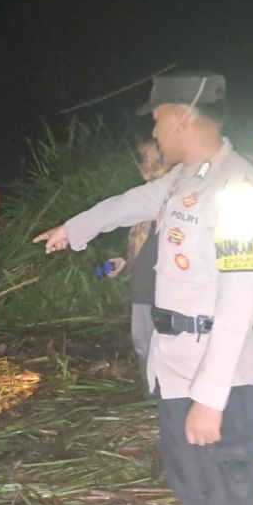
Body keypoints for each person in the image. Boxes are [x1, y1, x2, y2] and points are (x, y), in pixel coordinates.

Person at [35, 70, 253, 505]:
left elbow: (240, 301)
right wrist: (73, 229)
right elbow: (129, 203)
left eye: (160, 119)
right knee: (193, 487)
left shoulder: (238, 191)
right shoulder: (185, 178)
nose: (156, 131)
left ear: (185, 117)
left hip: (221, 376)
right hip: (175, 363)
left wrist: (210, 399)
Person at [103, 138, 174, 370]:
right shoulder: (146, 195)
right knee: (143, 343)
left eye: (145, 157)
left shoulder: (176, 191)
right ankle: (154, 397)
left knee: (167, 344)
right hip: (142, 284)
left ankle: (169, 398)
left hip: (167, 286)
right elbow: (144, 239)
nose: (140, 163)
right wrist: (126, 262)